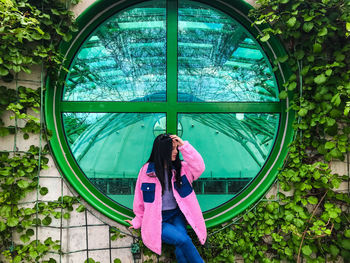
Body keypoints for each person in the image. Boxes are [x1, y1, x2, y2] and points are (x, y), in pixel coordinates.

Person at [125, 133, 206, 263]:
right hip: (157, 220)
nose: (175, 152)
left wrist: (184, 146)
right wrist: (138, 220)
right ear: (162, 151)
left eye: (176, 148)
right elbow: (140, 199)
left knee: (181, 247)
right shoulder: (146, 171)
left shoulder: (182, 168)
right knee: (183, 240)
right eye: (172, 149)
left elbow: (199, 167)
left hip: (176, 215)